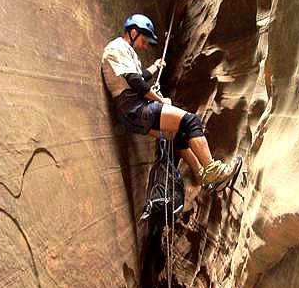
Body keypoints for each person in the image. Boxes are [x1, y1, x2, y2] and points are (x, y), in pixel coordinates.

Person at [101, 13, 240, 187]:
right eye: (144, 41)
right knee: (191, 121)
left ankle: (201, 175)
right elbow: (135, 82)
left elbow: (139, 76)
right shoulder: (116, 48)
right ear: (133, 32)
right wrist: (160, 100)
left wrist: (155, 66)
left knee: (179, 134)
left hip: (133, 110)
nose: (144, 46)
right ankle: (212, 170)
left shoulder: (126, 52)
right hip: (135, 108)